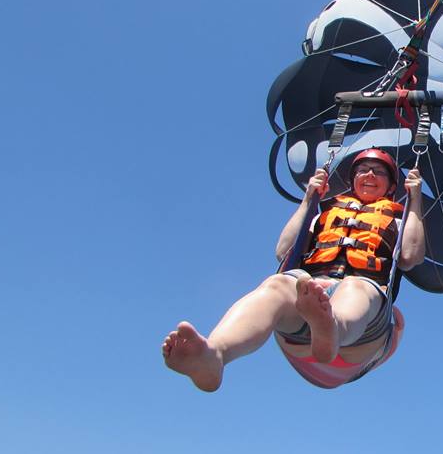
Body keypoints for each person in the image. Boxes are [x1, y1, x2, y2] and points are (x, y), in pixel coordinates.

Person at [162, 148, 425, 390]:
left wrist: (415, 199)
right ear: (352, 180)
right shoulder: (325, 216)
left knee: (355, 287)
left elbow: (411, 256)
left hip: (361, 332)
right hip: (308, 304)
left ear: (392, 186)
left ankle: (331, 327)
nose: (369, 174)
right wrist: (310, 198)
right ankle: (214, 355)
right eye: (362, 170)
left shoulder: (398, 220)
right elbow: (283, 252)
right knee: (277, 284)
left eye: (379, 171)